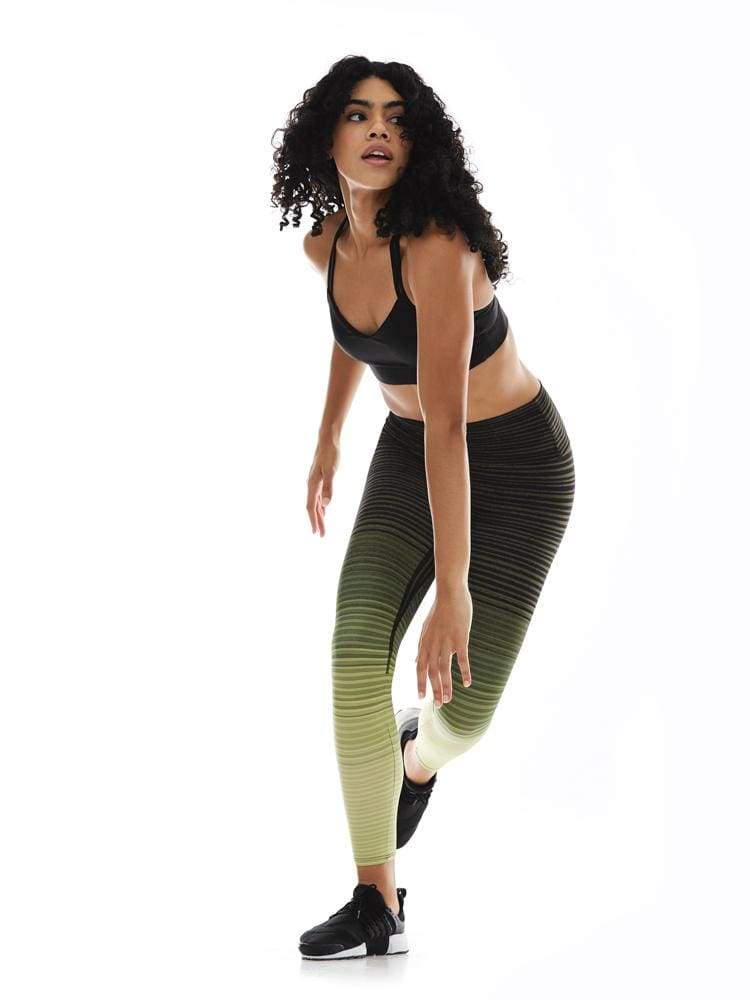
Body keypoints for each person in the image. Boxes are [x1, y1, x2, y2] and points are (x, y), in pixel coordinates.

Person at [271, 56, 576, 960]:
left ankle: (417, 758)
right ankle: (378, 901)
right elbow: (358, 330)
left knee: (464, 715)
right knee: (355, 644)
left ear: (418, 143)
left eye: (398, 118)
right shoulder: (326, 244)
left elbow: (452, 424)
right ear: (325, 137)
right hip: (411, 455)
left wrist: (454, 588)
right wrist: (329, 437)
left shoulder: (440, 248)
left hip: (517, 466)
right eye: (358, 114)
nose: (378, 129)